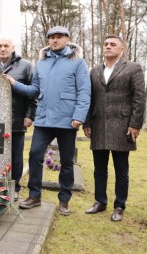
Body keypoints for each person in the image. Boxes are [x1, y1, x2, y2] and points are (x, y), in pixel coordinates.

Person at [4, 26, 91, 215]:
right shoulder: (42, 63)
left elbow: (84, 91)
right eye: (51, 37)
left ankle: (64, 200)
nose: (55, 40)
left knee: (67, 161)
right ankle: (35, 195)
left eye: (59, 37)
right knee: (35, 154)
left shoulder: (78, 62)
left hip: (67, 120)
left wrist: (78, 116)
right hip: (43, 119)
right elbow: (34, 89)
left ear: (67, 39)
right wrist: (14, 83)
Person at [83, 35, 146, 221]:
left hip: (122, 126)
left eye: (113, 44)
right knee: (99, 168)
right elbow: (90, 98)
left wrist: (135, 124)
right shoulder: (94, 71)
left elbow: (139, 97)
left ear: (121, 49)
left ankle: (119, 206)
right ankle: (100, 202)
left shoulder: (133, 68)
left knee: (121, 169)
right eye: (105, 44)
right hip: (98, 125)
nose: (108, 47)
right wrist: (87, 122)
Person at [0, 34, 36, 202]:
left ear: (13, 48)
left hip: (16, 119)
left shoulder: (25, 66)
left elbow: (33, 93)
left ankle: (15, 187)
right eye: (0, 46)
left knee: (16, 157)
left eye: (6, 46)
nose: (3, 49)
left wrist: (29, 115)